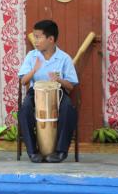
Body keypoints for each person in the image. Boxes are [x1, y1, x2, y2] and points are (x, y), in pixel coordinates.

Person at [18, 19, 78, 163]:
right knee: (24, 109)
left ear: (51, 39)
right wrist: (34, 70)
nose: (36, 40)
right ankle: (33, 152)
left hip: (59, 91)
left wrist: (59, 80)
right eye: (35, 36)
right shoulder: (32, 56)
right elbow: (23, 81)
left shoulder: (64, 58)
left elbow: (71, 86)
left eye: (39, 37)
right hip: (36, 91)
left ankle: (61, 151)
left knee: (69, 108)